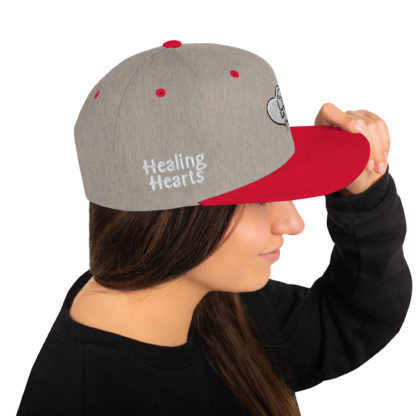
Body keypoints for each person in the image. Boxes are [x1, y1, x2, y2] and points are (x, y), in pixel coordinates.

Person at [16, 41, 412, 416]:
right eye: (260, 198)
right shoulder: (86, 400)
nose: (293, 223)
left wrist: (364, 193)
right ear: (173, 216)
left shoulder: (215, 301)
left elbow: (352, 318)